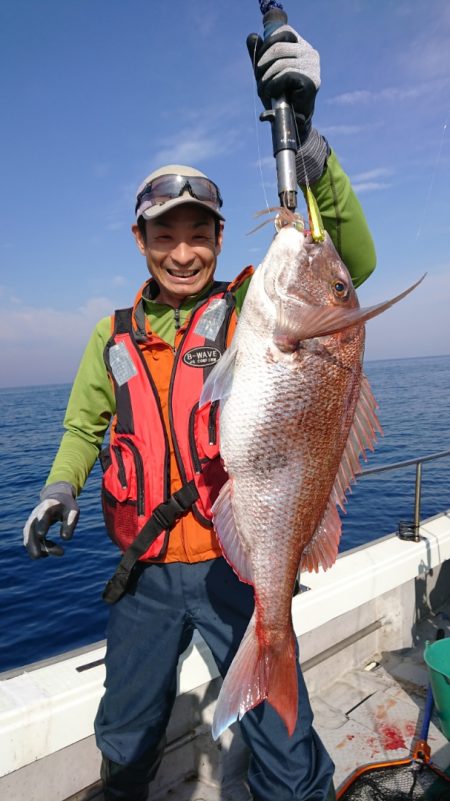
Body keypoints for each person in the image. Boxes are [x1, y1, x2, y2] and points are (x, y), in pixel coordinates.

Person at [23, 22, 376, 801]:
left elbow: (352, 258)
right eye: (165, 236)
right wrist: (60, 486)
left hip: (231, 562)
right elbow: (85, 427)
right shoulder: (107, 335)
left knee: (282, 736)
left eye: (198, 235)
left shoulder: (253, 305)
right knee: (128, 724)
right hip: (145, 569)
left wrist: (310, 144)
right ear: (140, 239)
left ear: (221, 239)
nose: (183, 253)